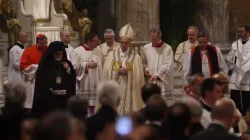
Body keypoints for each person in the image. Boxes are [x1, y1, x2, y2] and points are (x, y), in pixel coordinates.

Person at [102, 23, 144, 114]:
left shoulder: (135, 57)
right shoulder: (112, 55)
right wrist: (117, 71)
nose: (123, 45)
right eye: (122, 42)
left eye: (126, 43)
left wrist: (129, 72)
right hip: (116, 88)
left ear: (130, 43)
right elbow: (106, 72)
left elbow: (139, 76)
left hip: (130, 88)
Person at [31, 41, 76, 118]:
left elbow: (72, 78)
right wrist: (49, 89)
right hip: (49, 98)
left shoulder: (66, 63)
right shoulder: (45, 64)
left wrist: (68, 69)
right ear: (53, 53)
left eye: (61, 53)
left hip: (64, 98)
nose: (60, 55)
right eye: (57, 54)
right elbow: (40, 80)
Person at [141, 28, 174, 105]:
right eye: (151, 39)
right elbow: (143, 61)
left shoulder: (167, 48)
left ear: (160, 37)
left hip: (161, 81)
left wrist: (157, 75)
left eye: (155, 39)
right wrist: (146, 70)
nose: (153, 41)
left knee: (163, 104)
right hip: (150, 80)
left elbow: (168, 65)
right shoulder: (146, 48)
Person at [75, 32, 102, 113]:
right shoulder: (77, 51)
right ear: (89, 41)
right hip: (84, 83)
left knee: (95, 105)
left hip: (96, 82)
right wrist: (86, 65)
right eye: (95, 41)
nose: (98, 43)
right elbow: (74, 67)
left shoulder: (98, 51)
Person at [20, 34, 48, 110]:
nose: (44, 45)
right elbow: (23, 65)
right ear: (37, 42)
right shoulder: (29, 50)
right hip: (32, 78)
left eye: (45, 43)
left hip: (44, 78)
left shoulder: (47, 50)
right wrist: (35, 67)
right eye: (42, 43)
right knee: (31, 97)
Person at [227, 25, 250, 116]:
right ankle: (237, 114)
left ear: (248, 32)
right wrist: (234, 58)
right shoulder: (235, 44)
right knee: (235, 95)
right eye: (239, 32)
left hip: (248, 74)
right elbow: (229, 57)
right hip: (237, 72)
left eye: (242, 31)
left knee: (247, 95)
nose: (240, 33)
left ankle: (247, 115)